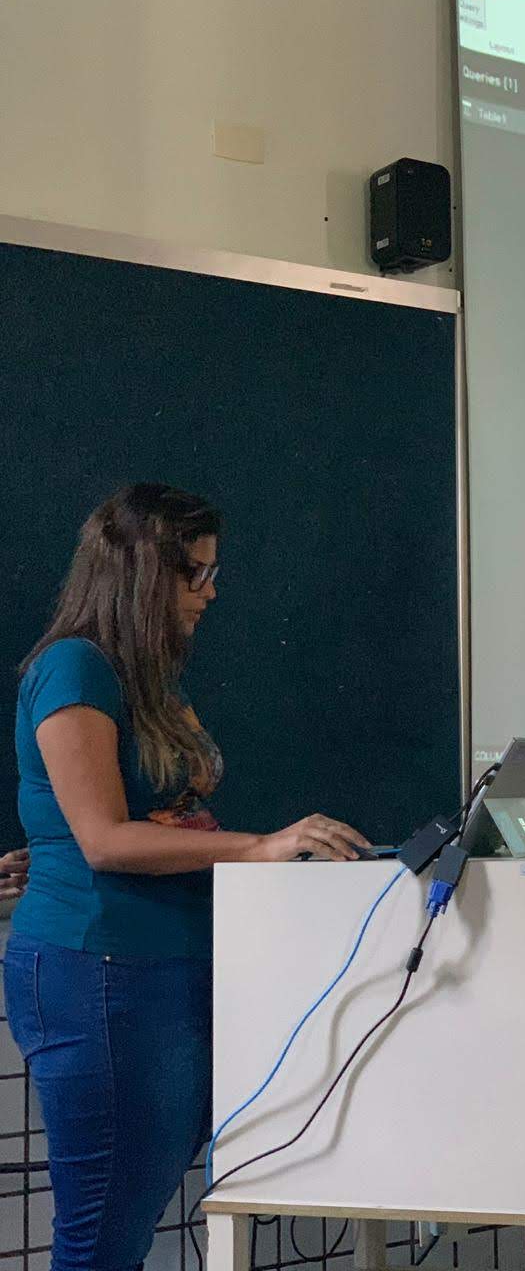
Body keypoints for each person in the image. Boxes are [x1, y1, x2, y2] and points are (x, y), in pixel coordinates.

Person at [4, 483, 371, 1271]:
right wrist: (262, 847)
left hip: (161, 966)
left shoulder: (145, 679)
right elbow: (103, 839)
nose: (210, 591)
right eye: (194, 574)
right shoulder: (74, 669)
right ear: (140, 576)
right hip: (100, 969)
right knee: (103, 1237)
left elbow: (145, 816)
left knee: (127, 1216)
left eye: (212, 572)